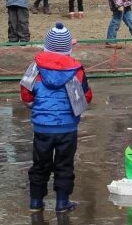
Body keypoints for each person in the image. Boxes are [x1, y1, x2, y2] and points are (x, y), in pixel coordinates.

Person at [20, 21, 91, 213]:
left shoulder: (35, 67)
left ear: (47, 45)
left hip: (42, 126)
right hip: (67, 128)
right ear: (68, 47)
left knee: (40, 163)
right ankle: (62, 202)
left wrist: (35, 106)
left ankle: (36, 202)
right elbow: (86, 96)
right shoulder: (76, 69)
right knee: (64, 164)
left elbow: (25, 92)